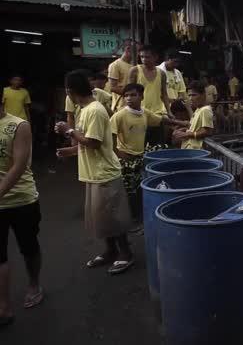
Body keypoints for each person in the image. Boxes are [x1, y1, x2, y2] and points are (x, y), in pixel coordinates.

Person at [55, 70, 133, 275]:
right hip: (93, 172)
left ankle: (125, 254)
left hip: (104, 173)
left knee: (114, 217)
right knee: (102, 217)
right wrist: (70, 151)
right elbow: (87, 142)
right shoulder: (85, 109)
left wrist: (69, 131)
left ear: (70, 91)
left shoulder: (95, 110)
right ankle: (110, 251)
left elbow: (94, 143)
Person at [110, 83, 189, 229]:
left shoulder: (144, 112)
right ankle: (131, 222)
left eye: (133, 95)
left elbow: (161, 120)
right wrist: (119, 154)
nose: (129, 98)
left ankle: (141, 219)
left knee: (140, 189)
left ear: (141, 96)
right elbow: (110, 136)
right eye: (126, 95)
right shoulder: (119, 115)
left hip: (140, 156)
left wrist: (181, 122)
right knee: (129, 192)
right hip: (126, 159)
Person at [0, 89, 42, 328]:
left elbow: (19, 165)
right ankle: (4, 307)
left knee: (29, 247)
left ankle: (34, 283)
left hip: (21, 200)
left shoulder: (18, 125)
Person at [173, 81, 214, 150]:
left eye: (194, 95)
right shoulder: (198, 109)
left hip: (196, 150)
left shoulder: (205, 110)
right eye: (189, 95)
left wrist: (186, 134)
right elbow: (195, 128)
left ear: (203, 95)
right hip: (189, 148)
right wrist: (184, 130)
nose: (191, 98)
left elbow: (207, 131)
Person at [108, 40, 137, 112]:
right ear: (128, 49)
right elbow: (113, 87)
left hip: (134, 106)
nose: (138, 54)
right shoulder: (115, 65)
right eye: (137, 51)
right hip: (121, 107)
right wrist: (132, 96)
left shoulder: (135, 66)